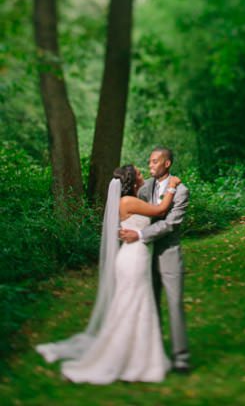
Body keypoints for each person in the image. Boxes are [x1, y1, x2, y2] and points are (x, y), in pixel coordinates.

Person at [36, 164, 179, 383]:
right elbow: (160, 211)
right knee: (133, 306)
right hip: (134, 258)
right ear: (131, 180)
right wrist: (172, 186)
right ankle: (128, 359)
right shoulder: (128, 202)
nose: (142, 175)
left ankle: (137, 357)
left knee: (132, 306)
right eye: (139, 173)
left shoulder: (132, 200)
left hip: (133, 256)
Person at [119, 146, 191, 373]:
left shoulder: (180, 191)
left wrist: (139, 234)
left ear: (167, 164)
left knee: (174, 304)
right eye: (149, 162)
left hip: (168, 254)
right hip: (142, 257)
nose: (150, 166)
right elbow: (133, 214)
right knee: (149, 306)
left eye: (154, 162)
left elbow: (170, 223)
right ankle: (154, 352)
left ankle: (181, 357)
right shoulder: (143, 189)